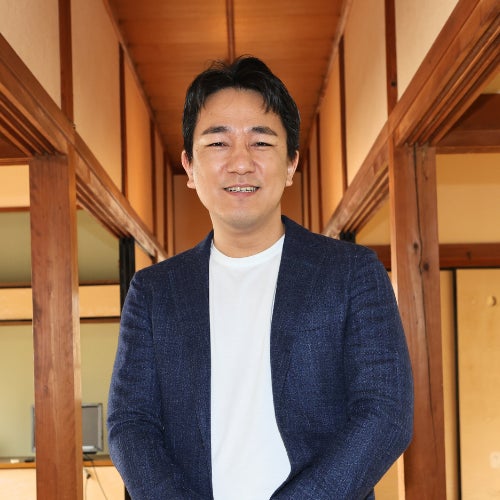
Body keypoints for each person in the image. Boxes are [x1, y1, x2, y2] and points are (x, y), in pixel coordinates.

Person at [107, 56, 414, 500]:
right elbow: (130, 424)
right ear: (189, 167)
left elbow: (386, 412)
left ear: (291, 164)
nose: (240, 163)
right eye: (218, 142)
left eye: (261, 142)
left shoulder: (352, 273)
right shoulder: (153, 292)